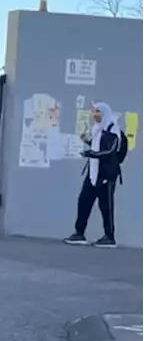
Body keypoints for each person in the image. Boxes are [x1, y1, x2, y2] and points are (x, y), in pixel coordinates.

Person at [65, 102, 125, 248]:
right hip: (93, 173)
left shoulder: (112, 130)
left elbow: (109, 151)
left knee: (106, 206)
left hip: (106, 174)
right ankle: (79, 233)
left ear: (105, 113)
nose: (95, 115)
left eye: (98, 112)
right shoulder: (98, 129)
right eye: (94, 112)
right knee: (84, 201)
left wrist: (91, 154)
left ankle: (109, 237)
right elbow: (98, 147)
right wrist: (88, 142)